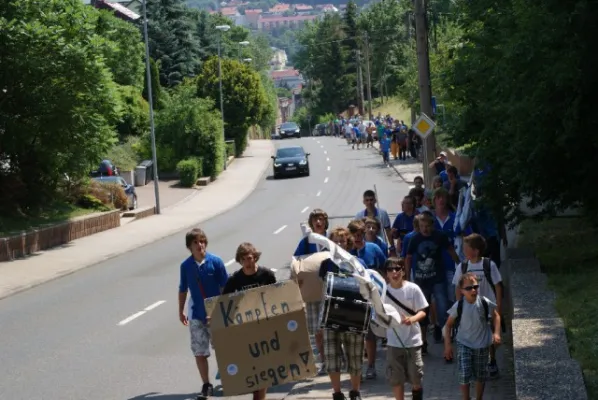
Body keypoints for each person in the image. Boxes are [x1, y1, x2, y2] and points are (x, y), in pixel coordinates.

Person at [178, 228, 229, 400]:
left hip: (217, 314)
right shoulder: (186, 266)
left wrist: (221, 311)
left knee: (223, 349)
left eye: (202, 241)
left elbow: (226, 288)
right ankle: (206, 385)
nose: (200, 245)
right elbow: (183, 289)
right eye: (195, 242)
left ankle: (230, 377)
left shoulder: (216, 262)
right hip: (196, 314)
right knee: (199, 352)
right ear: (189, 247)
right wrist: (181, 310)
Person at [222, 243, 276, 400]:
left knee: (263, 366)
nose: (248, 262)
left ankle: (259, 397)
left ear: (255, 257)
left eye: (250, 258)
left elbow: (277, 296)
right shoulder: (235, 280)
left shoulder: (266, 275)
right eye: (244, 259)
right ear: (240, 260)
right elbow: (225, 303)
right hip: (245, 329)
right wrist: (216, 317)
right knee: (252, 367)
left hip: (264, 327)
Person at [318, 227, 365, 400]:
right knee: (331, 357)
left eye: (342, 241)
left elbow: (367, 287)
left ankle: (355, 392)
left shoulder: (357, 262)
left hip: (354, 315)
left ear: (349, 242)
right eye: (335, 241)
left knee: (355, 355)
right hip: (331, 315)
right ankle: (337, 394)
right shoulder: (326, 264)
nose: (339, 244)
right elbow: (323, 289)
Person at [405, 213, 460, 351]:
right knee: (422, 310)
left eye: (427, 226)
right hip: (421, 280)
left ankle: (446, 338)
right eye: (422, 226)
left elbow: (450, 249)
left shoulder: (439, 236)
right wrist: (406, 276)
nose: (425, 229)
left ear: (432, 225)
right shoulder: (415, 238)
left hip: (437, 278)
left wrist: (460, 265)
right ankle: (423, 342)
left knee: (442, 307)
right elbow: (408, 257)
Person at [444, 273, 501, 400]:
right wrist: (447, 345)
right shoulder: (459, 306)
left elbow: (496, 316)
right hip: (464, 343)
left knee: (480, 375)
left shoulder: (484, 302)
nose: (473, 290)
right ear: (462, 291)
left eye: (475, 287)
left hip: (482, 344)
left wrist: (496, 333)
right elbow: (448, 325)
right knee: (464, 374)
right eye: (469, 288)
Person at [453, 234, 503, 379]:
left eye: (466, 248)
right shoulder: (462, 267)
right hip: (470, 309)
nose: (463, 251)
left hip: (488, 307)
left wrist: (498, 306)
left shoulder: (488, 265)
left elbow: (498, 286)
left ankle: (492, 359)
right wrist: (459, 306)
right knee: (477, 335)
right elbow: (457, 287)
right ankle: (481, 361)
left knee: (491, 336)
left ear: (475, 251)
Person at [348, 219, 387, 379]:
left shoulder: (373, 248)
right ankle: (356, 369)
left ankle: (371, 366)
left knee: (370, 335)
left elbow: (385, 270)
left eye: (360, 235)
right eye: (354, 235)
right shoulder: (346, 253)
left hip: (371, 297)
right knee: (356, 336)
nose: (357, 238)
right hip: (352, 298)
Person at [384, 258, 427, 400]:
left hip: (413, 341)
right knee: (396, 379)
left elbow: (422, 311)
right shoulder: (383, 292)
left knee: (416, 378)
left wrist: (412, 319)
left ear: (403, 271)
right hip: (393, 342)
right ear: (386, 274)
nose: (394, 272)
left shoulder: (413, 288)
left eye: (397, 269)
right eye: (390, 269)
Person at [293, 208, 329, 375]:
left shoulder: (331, 239)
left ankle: (336, 356)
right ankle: (324, 360)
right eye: (315, 219)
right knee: (317, 329)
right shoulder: (306, 242)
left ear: (325, 221)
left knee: (331, 326)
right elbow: (296, 262)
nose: (318, 222)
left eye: (321, 219)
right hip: (313, 291)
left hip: (331, 289)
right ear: (311, 223)